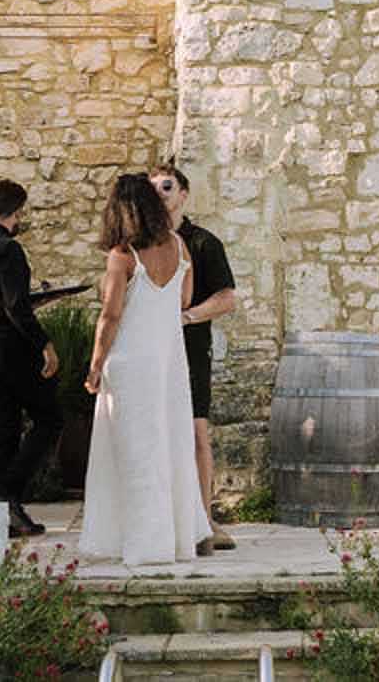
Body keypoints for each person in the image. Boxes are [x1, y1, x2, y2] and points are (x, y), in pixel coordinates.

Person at [79, 172, 210, 566]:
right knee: (170, 447)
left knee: (133, 453)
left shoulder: (122, 257)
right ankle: (175, 540)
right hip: (169, 363)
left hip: (131, 363)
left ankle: (142, 543)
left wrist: (95, 365)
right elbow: (183, 299)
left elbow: (110, 316)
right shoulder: (180, 246)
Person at [152, 162, 239, 553]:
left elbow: (226, 298)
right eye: (153, 189)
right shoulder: (143, 244)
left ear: (183, 193)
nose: (160, 195)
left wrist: (185, 317)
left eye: (167, 187)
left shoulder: (204, 243)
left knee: (195, 431)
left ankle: (204, 519)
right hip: (150, 350)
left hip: (189, 348)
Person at [0, 178, 61, 537]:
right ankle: (6, 489)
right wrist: (44, 342)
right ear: (14, 212)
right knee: (50, 417)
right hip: (13, 345)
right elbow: (15, 306)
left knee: (6, 426)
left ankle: (5, 515)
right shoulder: (9, 249)